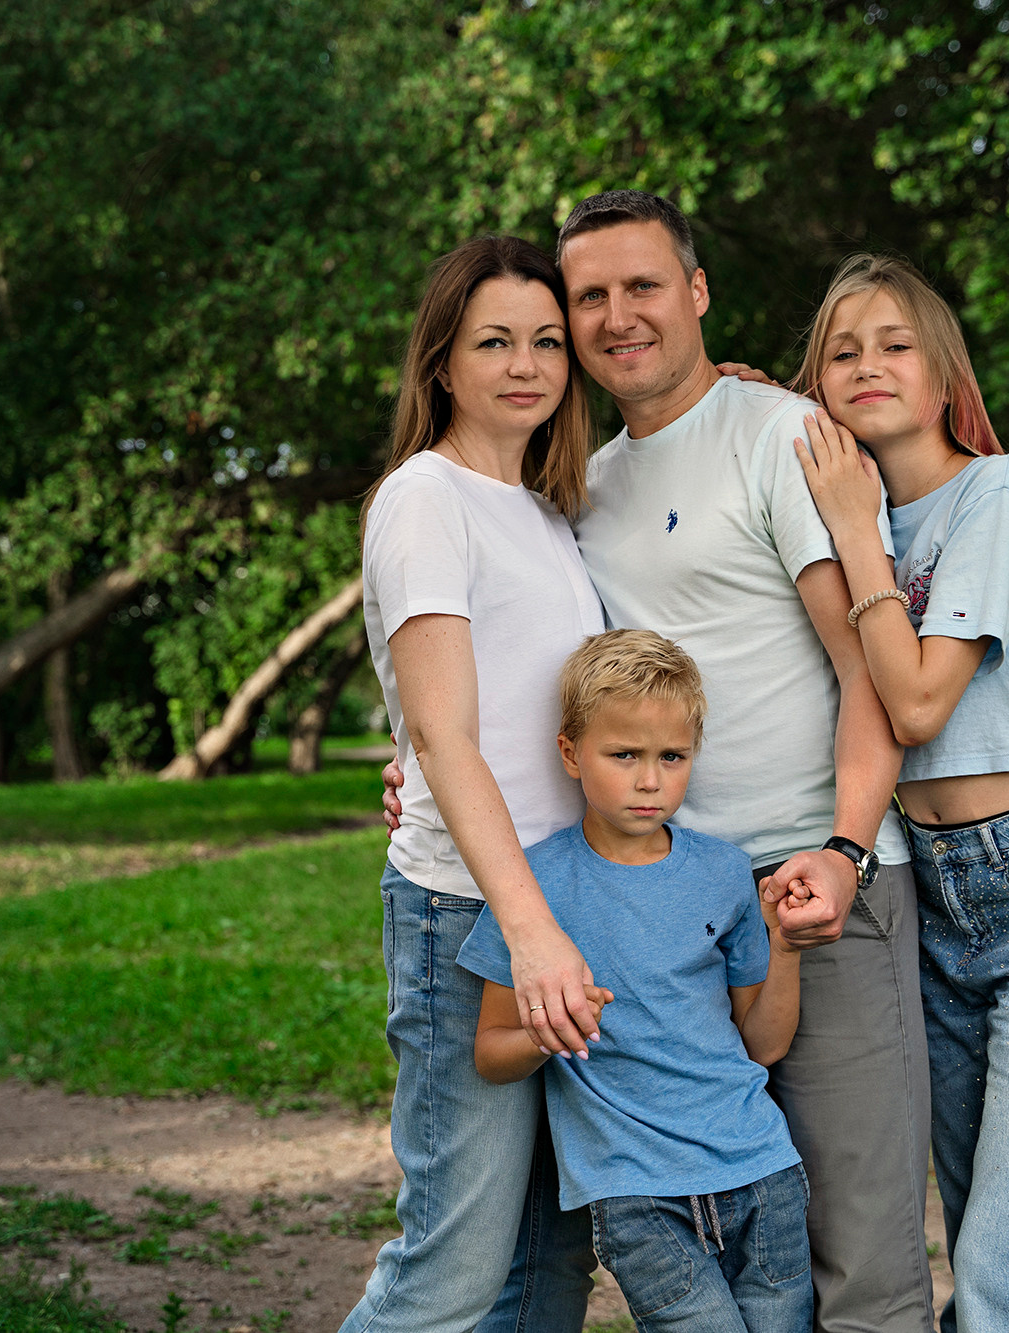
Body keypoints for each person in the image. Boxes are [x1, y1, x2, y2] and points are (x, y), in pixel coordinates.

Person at [387, 192, 937, 1333]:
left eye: (641, 286)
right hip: (638, 906)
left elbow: (866, 673)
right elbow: (486, 691)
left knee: (848, 1257)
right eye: (584, 298)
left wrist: (840, 849)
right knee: (634, 1235)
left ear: (695, 292)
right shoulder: (575, 485)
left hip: (805, 887)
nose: (611, 317)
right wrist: (417, 756)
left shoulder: (775, 435)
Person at [785, 253, 1009, 1333]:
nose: (867, 364)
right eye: (840, 352)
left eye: (895, 344)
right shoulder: (848, 520)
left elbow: (918, 704)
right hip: (933, 896)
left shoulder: (998, 491)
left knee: (1004, 1261)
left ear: (946, 376)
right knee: (977, 1222)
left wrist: (856, 531)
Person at [343, 234, 607, 1333]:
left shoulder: (548, 510)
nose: (525, 363)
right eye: (492, 340)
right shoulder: (425, 500)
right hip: (473, 919)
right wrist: (531, 929)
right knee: (452, 1263)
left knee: (547, 1258)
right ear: (440, 361)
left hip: (552, 907)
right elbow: (445, 737)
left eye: (546, 341)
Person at [458, 629, 814, 1333]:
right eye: (624, 755)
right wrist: (546, 1030)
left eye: (671, 757)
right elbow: (490, 1053)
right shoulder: (531, 887)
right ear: (571, 752)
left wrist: (786, 944)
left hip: (761, 1171)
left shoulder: (723, 872)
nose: (650, 780)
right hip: (636, 1194)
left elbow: (763, 1044)